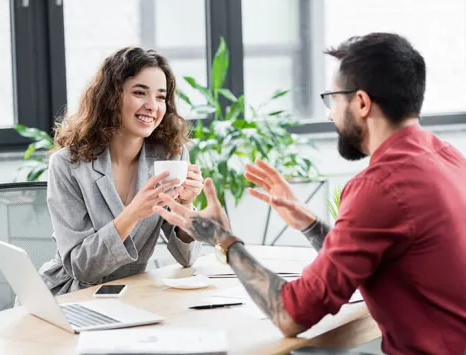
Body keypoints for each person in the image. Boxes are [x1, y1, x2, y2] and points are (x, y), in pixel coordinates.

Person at [153, 33, 466, 354]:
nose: (330, 114)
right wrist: (310, 224)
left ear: (361, 102)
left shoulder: (379, 186)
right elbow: (383, 256)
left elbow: (291, 315)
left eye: (333, 99)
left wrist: (223, 240)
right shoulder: (449, 158)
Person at [39, 47, 204, 295]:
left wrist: (187, 205)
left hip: (131, 292)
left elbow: (188, 258)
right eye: (140, 93)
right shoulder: (67, 165)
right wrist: (133, 214)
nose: (152, 106)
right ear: (111, 97)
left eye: (161, 97)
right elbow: (80, 267)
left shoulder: (170, 157)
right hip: (68, 293)